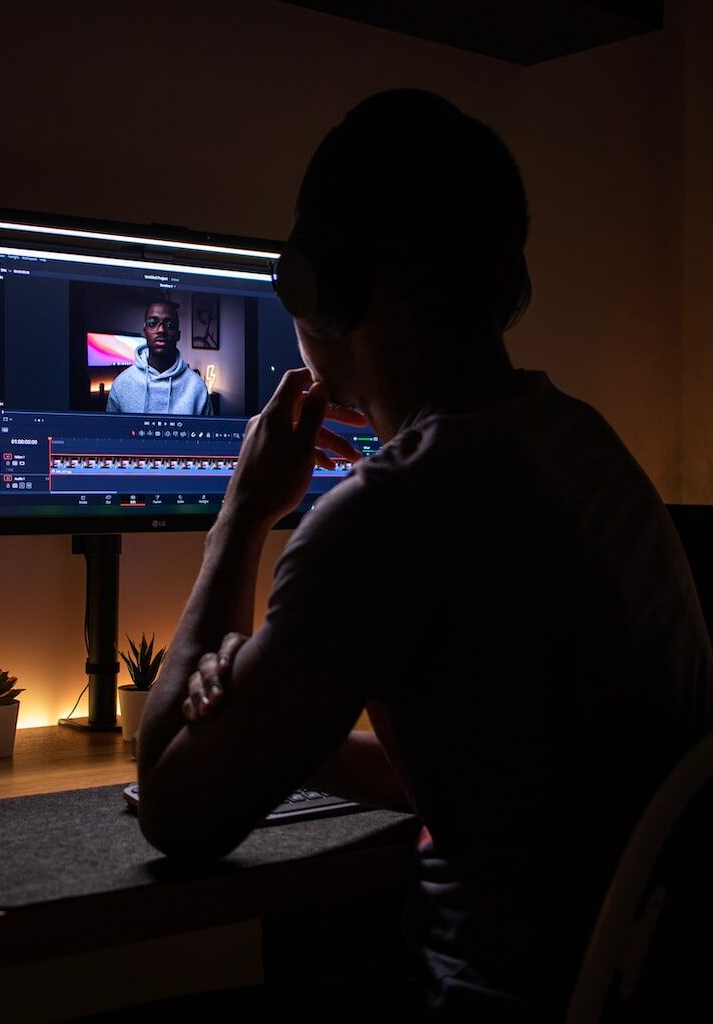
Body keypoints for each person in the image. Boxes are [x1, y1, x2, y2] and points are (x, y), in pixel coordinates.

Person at [136, 90, 713, 1020]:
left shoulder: (389, 510)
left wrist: (243, 512)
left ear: (316, 287)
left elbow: (171, 806)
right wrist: (285, 729)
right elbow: (501, 766)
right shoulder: (583, 445)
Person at [106, 300, 213, 415]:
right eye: (152, 323)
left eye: (169, 325)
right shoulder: (122, 384)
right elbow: (110, 431)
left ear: (178, 335)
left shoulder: (197, 387)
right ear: (145, 332)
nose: (161, 330)